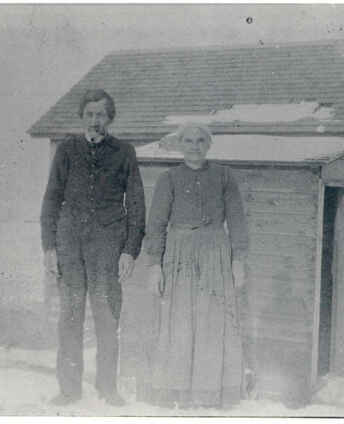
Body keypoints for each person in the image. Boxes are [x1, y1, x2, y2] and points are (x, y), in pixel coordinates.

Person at [40, 89, 146, 407]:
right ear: (82, 116)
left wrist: (129, 250)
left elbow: (137, 204)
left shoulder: (124, 152)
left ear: (109, 117)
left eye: (100, 114)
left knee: (107, 318)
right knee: (70, 318)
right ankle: (69, 390)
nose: (95, 120)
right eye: (89, 114)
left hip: (107, 248)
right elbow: (51, 199)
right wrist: (49, 247)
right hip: (70, 246)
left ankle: (107, 388)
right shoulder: (66, 150)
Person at [144, 123, 249, 408]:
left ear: (208, 144)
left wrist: (238, 261)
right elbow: (155, 224)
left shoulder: (224, 176)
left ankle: (208, 391)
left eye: (200, 140)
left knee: (212, 321)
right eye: (188, 141)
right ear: (180, 145)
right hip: (179, 255)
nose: (194, 146)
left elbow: (237, 221)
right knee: (180, 322)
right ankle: (176, 391)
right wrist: (154, 265)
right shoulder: (169, 179)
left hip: (215, 253)